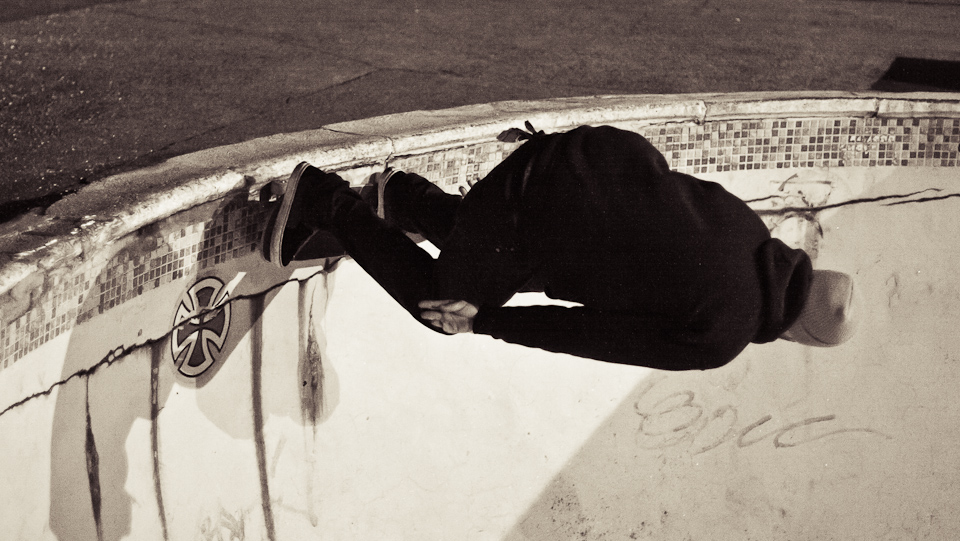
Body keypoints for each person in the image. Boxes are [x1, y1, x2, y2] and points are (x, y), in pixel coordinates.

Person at [261, 123, 859, 370]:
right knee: (441, 304)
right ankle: (321, 197)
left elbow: (644, 196)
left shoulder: (751, 231)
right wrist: (488, 325)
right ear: (798, 333)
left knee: (508, 263)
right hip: (534, 212)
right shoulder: (725, 334)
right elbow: (593, 335)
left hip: (570, 158)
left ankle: (405, 197)